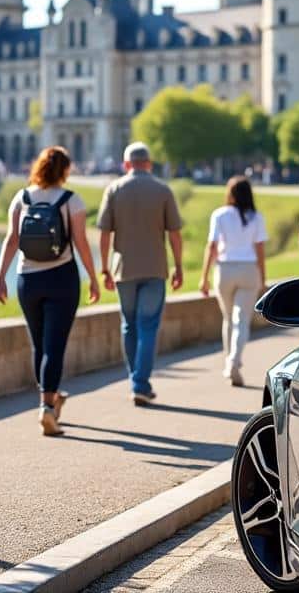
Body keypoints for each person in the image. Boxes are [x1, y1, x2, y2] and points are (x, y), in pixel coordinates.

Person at [0, 146, 100, 437]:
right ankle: (47, 409)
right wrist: (93, 277)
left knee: (39, 345)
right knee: (55, 346)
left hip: (27, 279)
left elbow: (12, 239)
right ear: (64, 170)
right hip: (61, 278)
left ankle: (50, 397)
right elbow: (80, 243)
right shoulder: (71, 200)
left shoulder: (22, 197)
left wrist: (0, 276)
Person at [98, 142, 184, 406]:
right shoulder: (162, 190)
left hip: (124, 269)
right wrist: (178, 266)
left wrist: (104, 267)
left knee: (129, 324)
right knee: (148, 327)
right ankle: (140, 383)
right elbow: (174, 234)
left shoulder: (114, 189)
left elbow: (104, 233)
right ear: (149, 163)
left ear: (126, 165)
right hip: (155, 268)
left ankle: (135, 379)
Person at [199, 176, 268, 387]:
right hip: (248, 270)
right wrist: (263, 278)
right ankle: (234, 361)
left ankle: (230, 361)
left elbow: (211, 246)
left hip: (225, 270)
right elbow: (259, 250)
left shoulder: (219, 215)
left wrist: (204, 277)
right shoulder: (256, 217)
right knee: (242, 320)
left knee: (228, 318)